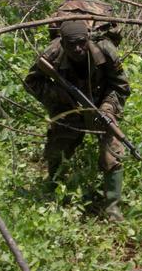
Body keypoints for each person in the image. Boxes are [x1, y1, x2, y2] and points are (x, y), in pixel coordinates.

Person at [24, 18, 131, 220]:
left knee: (113, 149)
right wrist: (62, 96)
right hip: (69, 108)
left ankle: (112, 208)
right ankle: (53, 193)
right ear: (63, 43)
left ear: (88, 38)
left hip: (100, 105)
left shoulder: (105, 50)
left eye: (82, 42)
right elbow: (31, 82)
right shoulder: (53, 53)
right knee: (58, 148)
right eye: (72, 44)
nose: (78, 49)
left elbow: (121, 86)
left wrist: (108, 108)